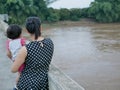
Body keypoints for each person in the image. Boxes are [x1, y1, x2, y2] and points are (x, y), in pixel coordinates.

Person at [11, 16, 54, 90]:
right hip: (42, 83)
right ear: (40, 28)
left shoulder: (25, 49)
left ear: (27, 31)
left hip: (27, 84)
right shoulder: (50, 42)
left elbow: (13, 69)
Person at [6, 24, 26, 88]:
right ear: (20, 34)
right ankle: (17, 86)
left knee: (19, 73)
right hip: (22, 61)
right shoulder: (21, 41)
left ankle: (17, 86)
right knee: (21, 74)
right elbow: (26, 49)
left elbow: (8, 54)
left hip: (16, 61)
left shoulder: (9, 42)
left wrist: (13, 59)